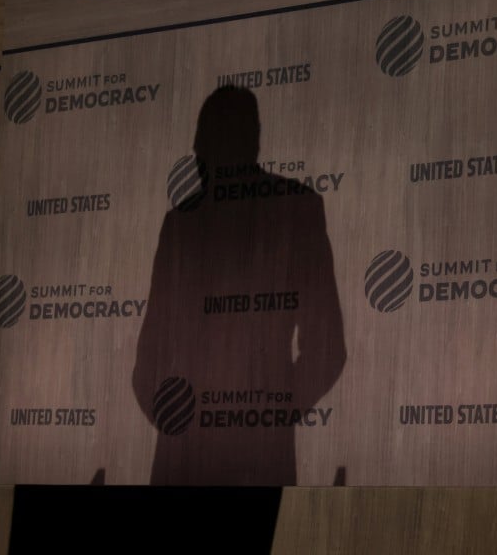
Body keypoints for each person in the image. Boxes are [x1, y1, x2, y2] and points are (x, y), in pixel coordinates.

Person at [132, 86, 346, 484]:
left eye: (210, 135)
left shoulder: (296, 211)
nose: (200, 149)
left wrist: (267, 416)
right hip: (184, 458)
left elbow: (327, 345)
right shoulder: (180, 225)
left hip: (254, 458)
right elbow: (151, 351)